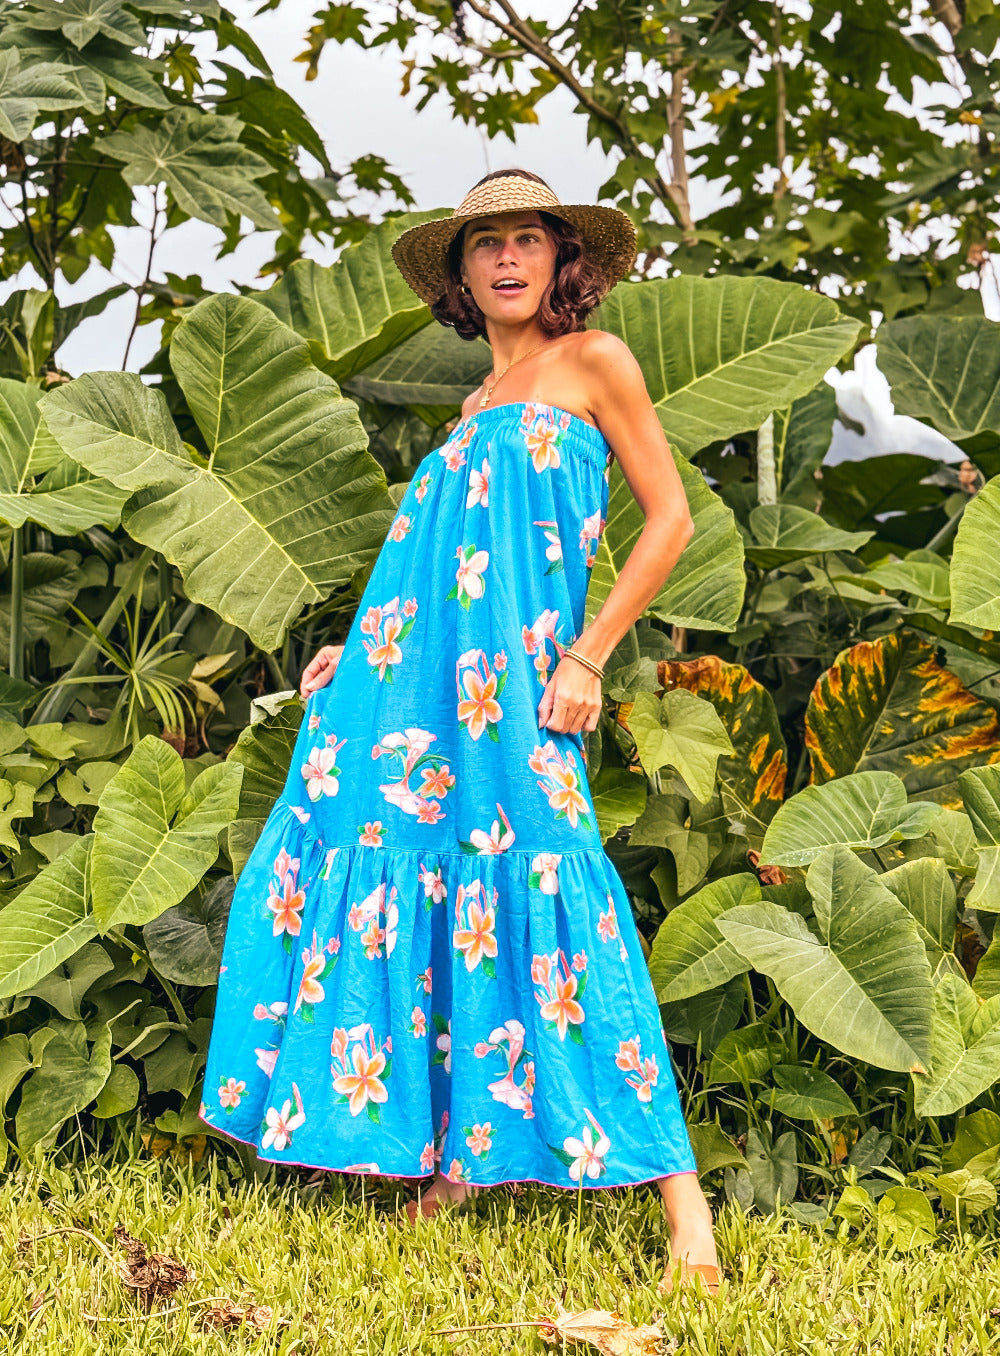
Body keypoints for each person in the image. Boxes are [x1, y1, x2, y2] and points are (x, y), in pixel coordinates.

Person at [199, 167, 720, 1296]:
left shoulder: (594, 362)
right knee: (426, 887)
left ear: (561, 258)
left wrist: (589, 654)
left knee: (557, 887)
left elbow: (670, 519)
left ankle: (684, 1208)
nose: (507, 259)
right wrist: (359, 650)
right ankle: (458, 1162)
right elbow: (436, 569)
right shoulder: (476, 408)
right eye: (486, 244)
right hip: (412, 692)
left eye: (528, 238)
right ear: (461, 275)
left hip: (522, 689)